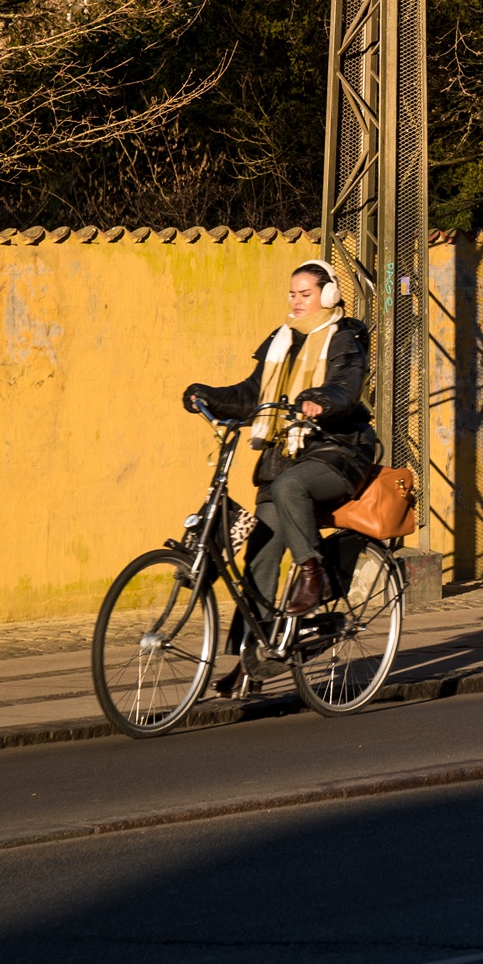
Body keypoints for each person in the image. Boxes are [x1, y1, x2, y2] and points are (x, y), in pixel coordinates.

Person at [183, 257, 379, 700]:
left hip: (338, 452)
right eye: (292, 293)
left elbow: (347, 387)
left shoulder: (346, 335)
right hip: (285, 455)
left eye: (305, 293)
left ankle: (316, 574)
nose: (296, 301)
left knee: (290, 489)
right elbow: (253, 394)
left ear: (328, 296)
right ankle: (255, 661)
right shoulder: (281, 340)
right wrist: (206, 395)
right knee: (261, 558)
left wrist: (318, 400)